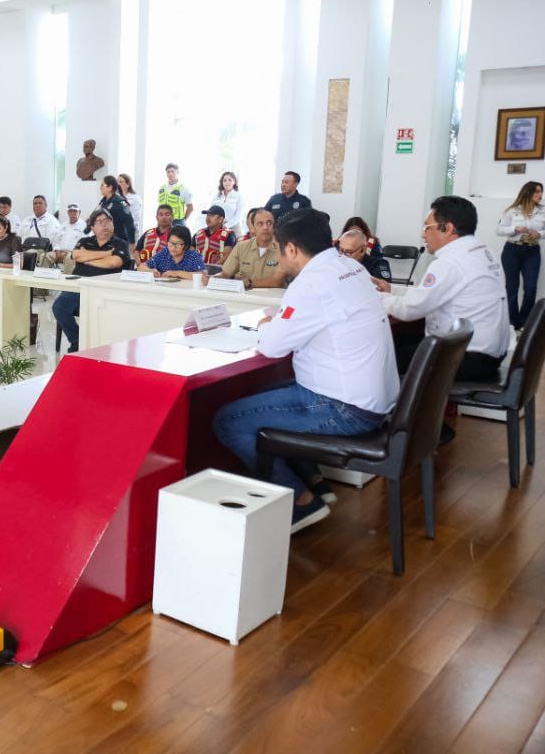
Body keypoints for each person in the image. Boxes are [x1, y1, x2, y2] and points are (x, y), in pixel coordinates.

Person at [214, 208, 399, 533]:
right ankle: (315, 482)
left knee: (229, 420)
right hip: (373, 401)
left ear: (292, 249)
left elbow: (271, 346)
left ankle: (300, 502)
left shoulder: (311, 282)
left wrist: (266, 325)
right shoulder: (349, 268)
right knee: (262, 396)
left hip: (346, 409)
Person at [373, 196, 511, 441]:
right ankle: (428, 424)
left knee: (381, 356)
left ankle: (411, 428)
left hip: (468, 357)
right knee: (396, 341)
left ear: (447, 229)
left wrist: (372, 298)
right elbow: (434, 296)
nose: (423, 235)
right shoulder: (481, 250)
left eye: (427, 227)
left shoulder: (450, 261)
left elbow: (410, 310)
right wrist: (392, 292)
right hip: (487, 350)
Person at [52, 210, 132, 353]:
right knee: (59, 307)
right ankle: (77, 341)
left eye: (107, 220)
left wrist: (87, 259)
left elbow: (113, 263)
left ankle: (93, 344)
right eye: (99, 222)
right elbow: (76, 255)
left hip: (105, 290)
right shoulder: (84, 241)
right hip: (79, 286)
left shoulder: (121, 244)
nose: (104, 224)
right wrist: (105, 254)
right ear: (92, 227)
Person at [497, 181, 545, 331]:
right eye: (536, 191)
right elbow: (499, 230)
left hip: (532, 252)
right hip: (512, 250)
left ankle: (525, 322)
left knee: (530, 288)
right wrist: (515, 228)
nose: (540, 195)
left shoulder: (543, 211)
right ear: (528, 192)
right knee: (511, 287)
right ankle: (512, 322)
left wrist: (540, 233)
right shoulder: (512, 211)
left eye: (541, 192)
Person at [218, 208, 286, 290]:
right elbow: (225, 274)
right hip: (245, 298)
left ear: (274, 226)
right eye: (260, 224)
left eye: (269, 223)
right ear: (253, 228)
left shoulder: (284, 248)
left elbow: (277, 282)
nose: (265, 227)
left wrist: (249, 283)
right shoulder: (241, 246)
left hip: (273, 300)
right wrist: (212, 279)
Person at [40, 203, 87, 270]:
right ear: (68, 213)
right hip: (59, 252)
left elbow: (84, 244)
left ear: (79, 212)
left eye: (75, 211)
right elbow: (56, 241)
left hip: (72, 253)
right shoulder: (63, 225)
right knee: (44, 257)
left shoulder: (84, 226)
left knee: (70, 259)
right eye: (70, 211)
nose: (73, 213)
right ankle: (43, 278)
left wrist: (69, 252)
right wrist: (57, 250)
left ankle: (66, 279)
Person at [97, 175, 135, 243]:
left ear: (110, 187)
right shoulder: (103, 202)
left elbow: (129, 222)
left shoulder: (121, 202)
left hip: (119, 241)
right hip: (106, 240)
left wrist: (132, 242)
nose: (100, 188)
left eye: (102, 185)